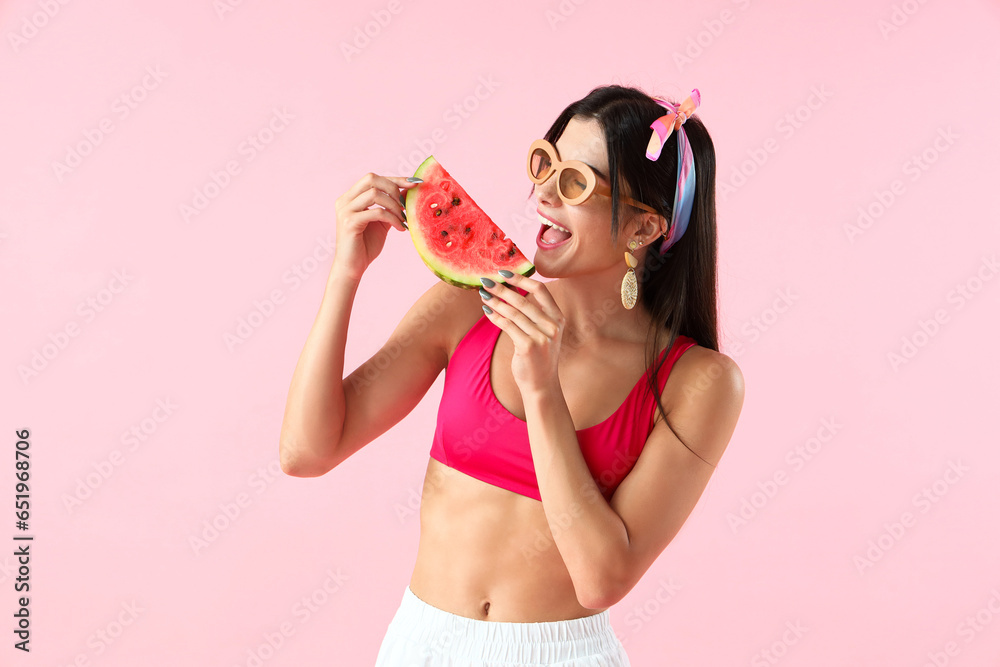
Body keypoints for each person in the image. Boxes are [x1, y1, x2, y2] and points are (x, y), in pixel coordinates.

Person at [279, 84, 745, 666]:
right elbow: (306, 453)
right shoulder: (461, 309)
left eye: (576, 182)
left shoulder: (699, 382)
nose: (545, 193)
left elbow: (601, 580)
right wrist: (346, 273)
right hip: (421, 646)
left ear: (643, 230)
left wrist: (543, 390)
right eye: (546, 162)